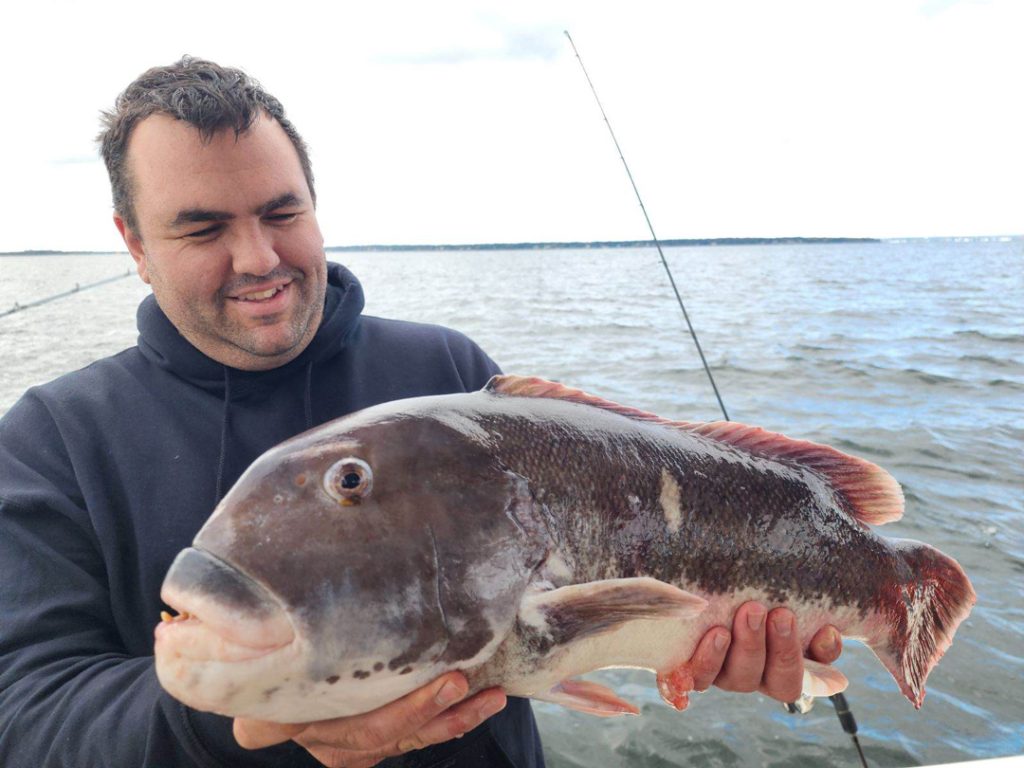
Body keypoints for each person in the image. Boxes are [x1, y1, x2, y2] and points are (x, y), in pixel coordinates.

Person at [0, 57, 842, 768]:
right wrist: (241, 719)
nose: (257, 258)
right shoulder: (51, 443)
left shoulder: (449, 374)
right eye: (201, 228)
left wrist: (703, 642)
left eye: (282, 213)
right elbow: (24, 713)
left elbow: (593, 604)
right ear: (134, 244)